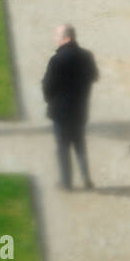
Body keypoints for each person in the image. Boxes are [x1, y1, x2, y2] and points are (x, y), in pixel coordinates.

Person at [41, 23, 98, 191]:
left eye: (57, 36)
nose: (55, 39)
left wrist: (50, 99)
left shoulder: (57, 60)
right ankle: (86, 179)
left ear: (66, 38)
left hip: (61, 113)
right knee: (80, 146)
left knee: (63, 149)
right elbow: (95, 76)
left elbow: (47, 86)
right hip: (80, 110)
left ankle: (67, 183)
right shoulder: (87, 56)